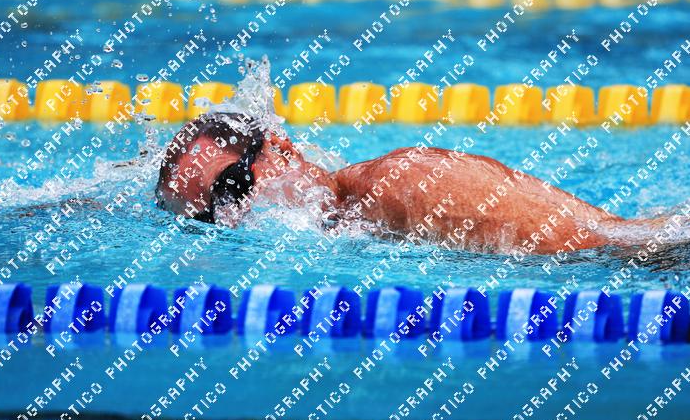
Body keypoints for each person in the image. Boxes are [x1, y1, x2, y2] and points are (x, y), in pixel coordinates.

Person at [155, 112, 662, 255]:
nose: (234, 216)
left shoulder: (400, 185)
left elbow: (614, 245)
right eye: (210, 216)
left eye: (233, 187)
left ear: (282, 150)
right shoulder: (349, 224)